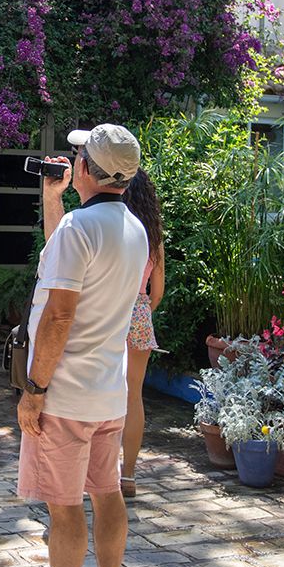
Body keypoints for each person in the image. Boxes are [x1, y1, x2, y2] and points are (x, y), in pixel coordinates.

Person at [0, 124, 147, 567]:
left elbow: (59, 316)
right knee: (107, 494)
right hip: (108, 394)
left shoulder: (80, 231)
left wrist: (34, 391)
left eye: (79, 153)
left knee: (63, 508)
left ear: (85, 168)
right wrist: (52, 201)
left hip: (64, 396)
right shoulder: (133, 229)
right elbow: (66, 258)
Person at [119, 169, 165, 498]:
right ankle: (129, 475)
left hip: (107, 312)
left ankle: (95, 472)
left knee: (98, 393)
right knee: (134, 396)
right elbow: (158, 291)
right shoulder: (153, 237)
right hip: (139, 312)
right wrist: (142, 311)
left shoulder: (114, 230)